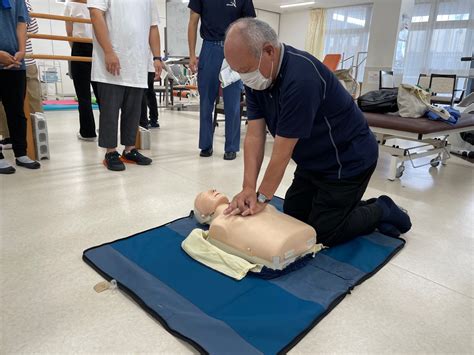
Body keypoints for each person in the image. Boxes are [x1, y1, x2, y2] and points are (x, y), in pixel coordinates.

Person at [223, 18, 412, 246]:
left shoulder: (301, 78)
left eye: (245, 70)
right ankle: (345, 208)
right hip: (313, 161)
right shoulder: (257, 79)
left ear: (269, 51)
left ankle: (382, 208)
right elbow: (254, 135)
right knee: (294, 219)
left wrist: (262, 197)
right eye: (238, 72)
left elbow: (282, 153)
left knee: (322, 233)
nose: (244, 77)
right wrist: (248, 188)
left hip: (348, 160)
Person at [88, 0, 162, 171]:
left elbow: (153, 26)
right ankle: (110, 152)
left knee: (133, 110)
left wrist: (157, 57)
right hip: (112, 59)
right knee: (110, 111)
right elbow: (95, 14)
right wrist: (108, 51)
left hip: (137, 61)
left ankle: (129, 149)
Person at [187, 0, 256, 161]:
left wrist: (247, 56)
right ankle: (205, 145)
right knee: (206, 102)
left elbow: (250, 27)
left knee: (232, 104)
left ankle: (231, 147)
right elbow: (193, 22)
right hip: (209, 48)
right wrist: (191, 55)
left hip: (234, 49)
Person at [0, 0, 41, 175]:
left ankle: (21, 152)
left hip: (16, 61)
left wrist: (22, 50)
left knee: (17, 110)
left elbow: (21, 22)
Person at [65, 0, 98, 142]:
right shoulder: (97, 4)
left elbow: (69, 32)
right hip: (97, 46)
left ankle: (88, 132)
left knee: (83, 94)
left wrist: (75, 48)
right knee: (101, 93)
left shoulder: (69, 4)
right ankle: (107, 129)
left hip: (80, 46)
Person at [140, 54, 160, 129]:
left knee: (143, 95)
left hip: (145, 68)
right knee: (150, 94)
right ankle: (154, 120)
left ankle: (143, 121)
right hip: (150, 69)